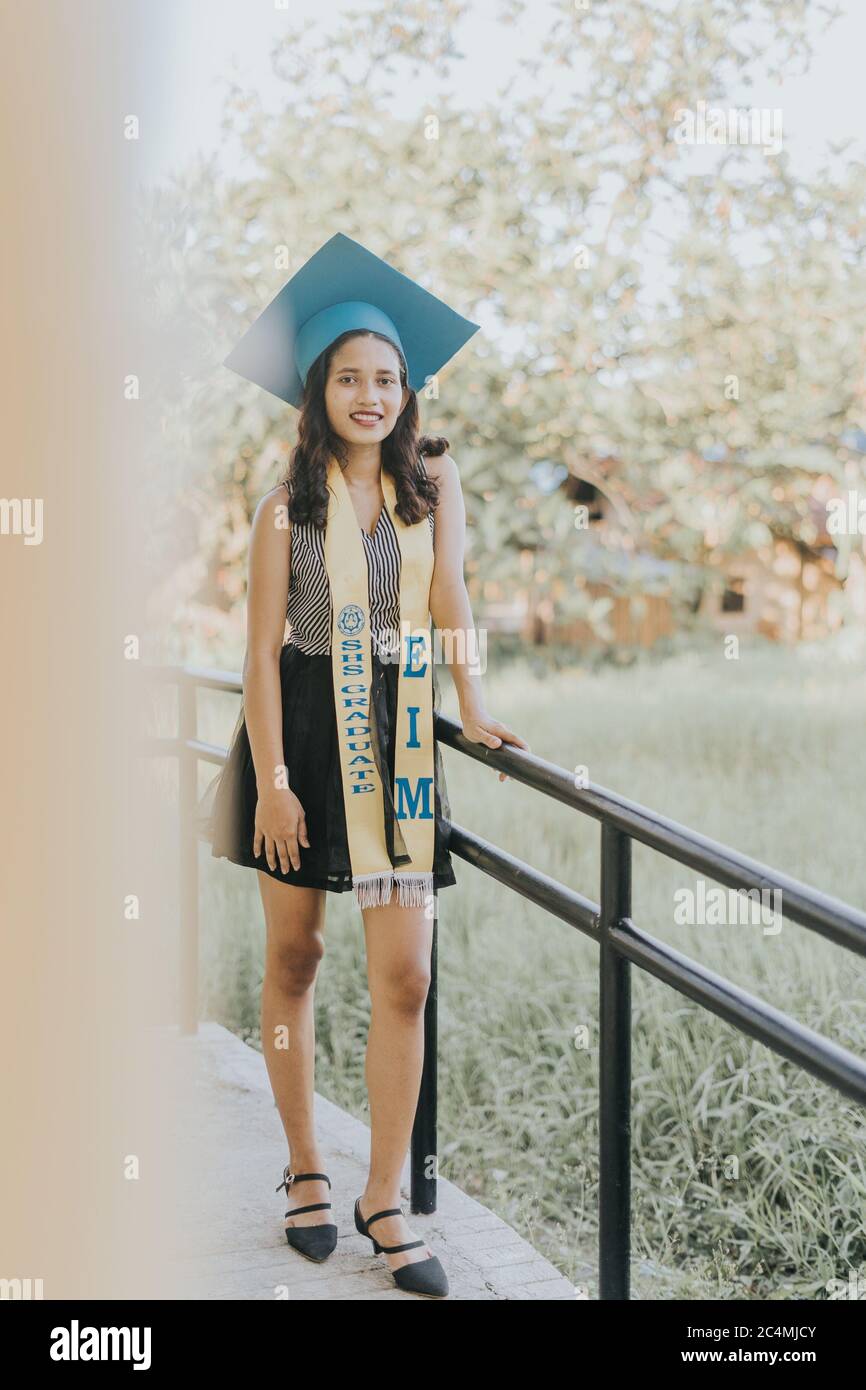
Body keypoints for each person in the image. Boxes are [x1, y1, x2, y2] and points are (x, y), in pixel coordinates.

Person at [207, 233, 528, 1299]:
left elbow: (451, 609)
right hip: (297, 736)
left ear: (406, 392)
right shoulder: (280, 510)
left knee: (406, 975)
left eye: (387, 378)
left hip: (397, 741)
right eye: (350, 378)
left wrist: (472, 707)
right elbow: (257, 654)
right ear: (318, 390)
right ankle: (303, 1165)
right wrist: (277, 782)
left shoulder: (433, 487)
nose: (371, 395)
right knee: (294, 959)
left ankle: (382, 1195)